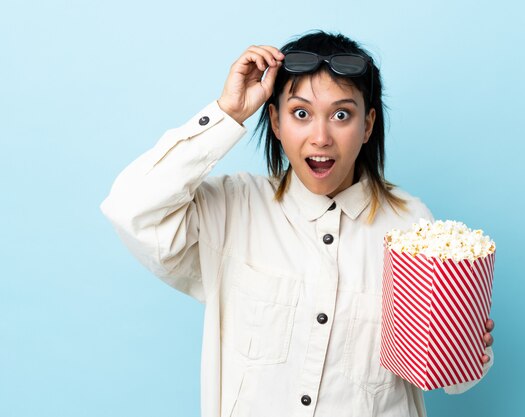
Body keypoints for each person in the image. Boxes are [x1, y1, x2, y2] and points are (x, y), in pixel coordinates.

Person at [101, 31, 495, 417]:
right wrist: (228, 113)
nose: (320, 137)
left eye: (342, 115)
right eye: (301, 114)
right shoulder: (232, 209)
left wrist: (466, 346)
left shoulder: (413, 228)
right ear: (274, 120)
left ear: (368, 125)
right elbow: (131, 207)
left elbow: (453, 378)